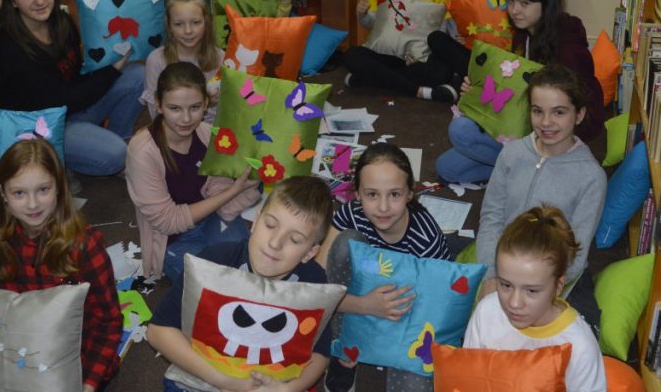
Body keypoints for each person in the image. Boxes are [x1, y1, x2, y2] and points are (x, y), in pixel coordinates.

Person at [147, 176, 335, 392]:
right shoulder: (213, 262)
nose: (275, 243)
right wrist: (221, 380)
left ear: (310, 252)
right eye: (270, 225)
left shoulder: (313, 283)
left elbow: (320, 352)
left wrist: (288, 389)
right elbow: (158, 331)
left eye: (295, 239)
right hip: (200, 380)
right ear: (256, 220)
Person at [436, 0, 605, 183]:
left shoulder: (568, 49)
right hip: (520, 125)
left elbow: (584, 112)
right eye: (511, 1)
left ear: (547, 4)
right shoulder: (523, 34)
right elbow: (513, 86)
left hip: (553, 135)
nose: (515, 10)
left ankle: (539, 169)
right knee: (447, 168)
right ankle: (529, 173)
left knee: (461, 130)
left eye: (525, 3)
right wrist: (478, 89)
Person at [0, 139, 122, 392]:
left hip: (75, 356)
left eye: (43, 189)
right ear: (2, 194)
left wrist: (87, 384)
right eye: (19, 193)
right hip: (19, 354)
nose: (33, 204)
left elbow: (108, 321)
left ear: (59, 188)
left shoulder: (85, 246)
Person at [474, 64, 606, 325]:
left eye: (559, 112)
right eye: (537, 111)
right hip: (503, 265)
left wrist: (534, 292)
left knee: (580, 330)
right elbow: (491, 218)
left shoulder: (591, 176)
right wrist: (492, 276)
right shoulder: (512, 154)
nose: (546, 122)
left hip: (552, 278)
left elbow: (576, 253)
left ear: (579, 114)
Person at [0, 0, 143, 178]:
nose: (40, 1)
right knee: (115, 154)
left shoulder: (61, 22)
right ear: (12, 1)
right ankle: (54, 164)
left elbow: (77, 75)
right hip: (42, 129)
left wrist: (109, 59)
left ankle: (114, 143)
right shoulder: (9, 48)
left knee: (138, 74)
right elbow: (63, 102)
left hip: (72, 110)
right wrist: (111, 70)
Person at [321, 143, 451, 392]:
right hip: (359, 301)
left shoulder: (426, 239)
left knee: (415, 382)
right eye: (372, 194)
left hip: (408, 311)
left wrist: (392, 336)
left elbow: (435, 306)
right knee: (345, 242)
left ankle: (371, 343)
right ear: (357, 194)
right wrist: (365, 305)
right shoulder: (351, 215)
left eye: (394, 194)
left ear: (410, 193)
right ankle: (342, 343)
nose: (383, 207)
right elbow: (320, 285)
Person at [126, 62, 260, 282]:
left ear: (206, 103)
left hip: (211, 215)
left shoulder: (207, 133)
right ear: (158, 104)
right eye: (175, 108)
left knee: (245, 262)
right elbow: (167, 222)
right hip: (172, 238)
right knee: (211, 281)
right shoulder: (143, 151)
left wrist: (248, 172)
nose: (186, 119)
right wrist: (232, 191)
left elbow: (218, 183)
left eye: (195, 107)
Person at [463, 206, 606, 392]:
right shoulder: (487, 312)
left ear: (558, 286)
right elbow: (468, 379)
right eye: (506, 285)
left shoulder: (579, 345)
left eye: (531, 291)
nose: (514, 303)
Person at [421, 0, 503, 90]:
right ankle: (476, 81)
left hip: (498, 57)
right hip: (470, 57)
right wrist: (460, 41)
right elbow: (446, 33)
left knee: (437, 73)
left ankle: (476, 83)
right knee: (435, 38)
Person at [141, 0, 224, 122]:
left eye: (196, 22)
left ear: (206, 22)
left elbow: (225, 111)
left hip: (211, 129)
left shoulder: (220, 58)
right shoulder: (157, 60)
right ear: (169, 26)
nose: (188, 31)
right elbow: (155, 114)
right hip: (171, 130)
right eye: (178, 24)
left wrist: (210, 103)